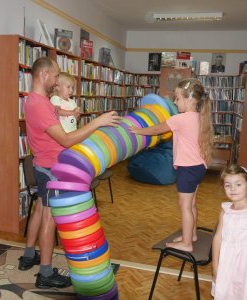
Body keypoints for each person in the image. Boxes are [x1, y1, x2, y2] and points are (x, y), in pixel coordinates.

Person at [18, 56, 121, 289]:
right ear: (43, 74)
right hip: (53, 168)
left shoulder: (34, 100)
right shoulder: (40, 104)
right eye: (55, 76)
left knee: (41, 210)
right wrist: (98, 122)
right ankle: (45, 273)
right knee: (49, 218)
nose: (56, 82)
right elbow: (65, 140)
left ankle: (29, 256)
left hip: (44, 164)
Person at [129, 78, 214, 252]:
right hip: (199, 166)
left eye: (177, 99)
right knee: (191, 203)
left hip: (188, 168)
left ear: (189, 100)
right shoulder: (200, 116)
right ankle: (192, 235)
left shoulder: (180, 119)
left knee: (185, 206)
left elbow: (156, 130)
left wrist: (137, 130)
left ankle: (187, 244)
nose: (175, 103)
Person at [211, 165, 247, 299]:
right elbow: (218, 238)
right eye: (228, 185)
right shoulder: (225, 210)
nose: (233, 189)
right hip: (227, 262)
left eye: (238, 184)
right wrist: (215, 266)